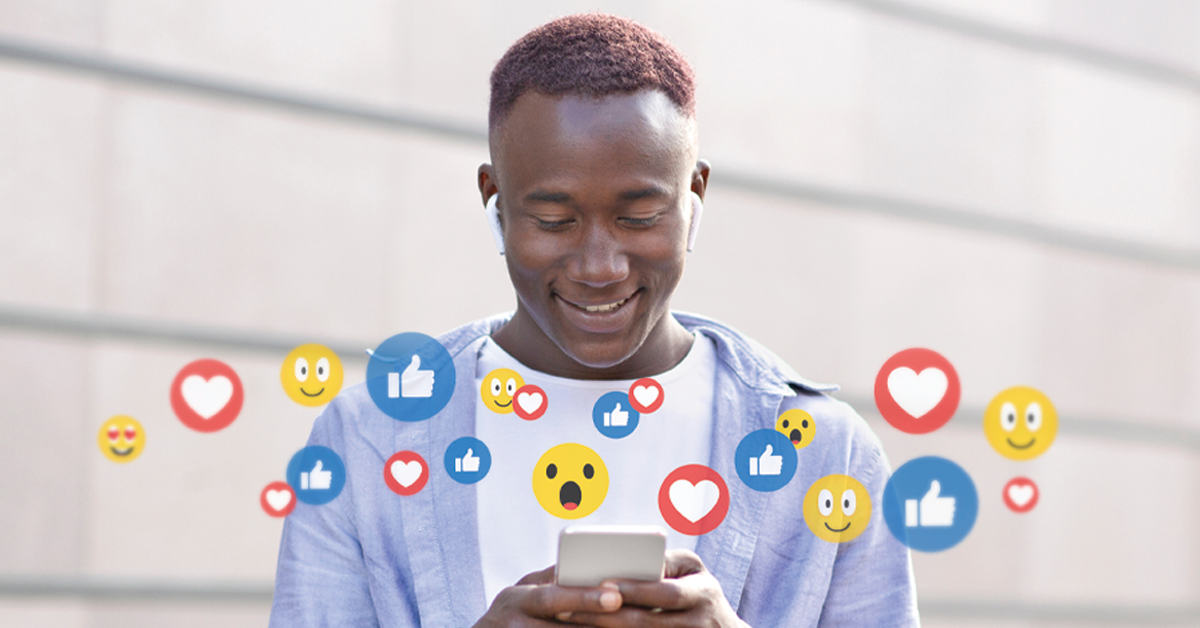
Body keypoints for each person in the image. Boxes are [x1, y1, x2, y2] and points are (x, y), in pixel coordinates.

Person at [271, 13, 918, 627]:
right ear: (493, 199)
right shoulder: (366, 441)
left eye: (640, 217)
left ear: (695, 196)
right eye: (554, 221)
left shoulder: (827, 455)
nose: (601, 266)